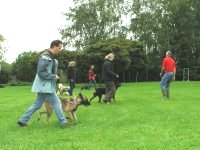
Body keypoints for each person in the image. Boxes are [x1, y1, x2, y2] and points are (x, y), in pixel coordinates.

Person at [17, 40, 69, 127]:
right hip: (45, 86)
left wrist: (54, 76)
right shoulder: (44, 57)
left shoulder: (51, 57)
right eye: (59, 48)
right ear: (54, 46)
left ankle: (23, 120)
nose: (60, 50)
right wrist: (53, 76)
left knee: (37, 104)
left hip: (45, 85)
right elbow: (41, 72)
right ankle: (63, 122)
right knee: (56, 102)